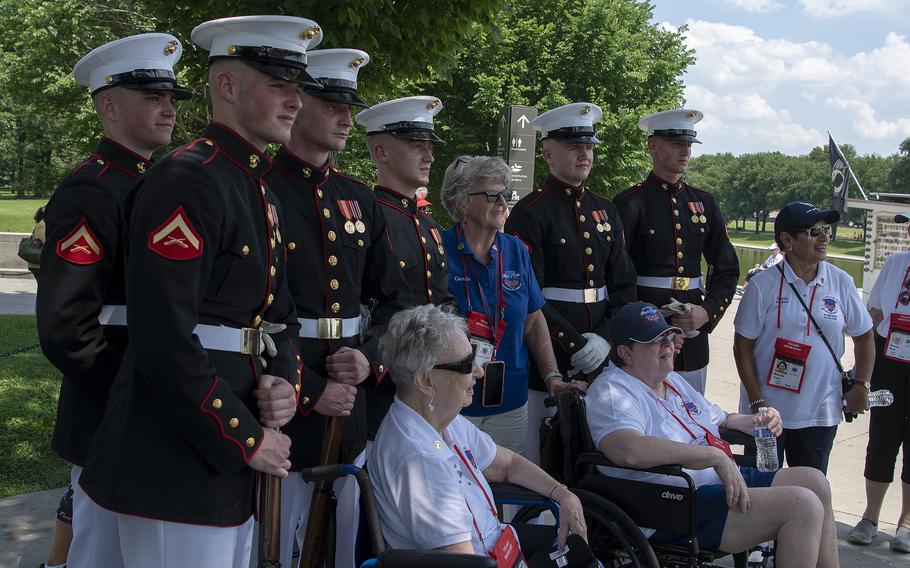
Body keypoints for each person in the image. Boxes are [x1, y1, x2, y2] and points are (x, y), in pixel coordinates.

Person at [78, 16, 317, 567]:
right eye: (279, 85)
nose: (295, 102)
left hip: (227, 448)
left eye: (298, 89)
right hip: (176, 458)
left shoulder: (255, 186)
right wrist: (243, 437)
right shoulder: (189, 179)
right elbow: (163, 336)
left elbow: (280, 318)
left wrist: (285, 384)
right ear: (227, 87)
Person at [35, 33, 192, 568]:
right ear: (108, 105)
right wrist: (131, 397)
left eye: (171, 98)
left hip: (154, 403)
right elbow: (65, 325)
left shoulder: (159, 183)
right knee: (101, 553)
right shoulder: (93, 189)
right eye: (153, 97)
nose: (169, 108)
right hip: (112, 414)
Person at [261, 47, 406, 568]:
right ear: (297, 104)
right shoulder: (261, 187)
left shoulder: (358, 199)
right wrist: (309, 388)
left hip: (350, 407)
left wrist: (372, 358)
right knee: (275, 548)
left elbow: (394, 303)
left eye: (350, 106)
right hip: (278, 400)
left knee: (340, 545)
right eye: (332, 104)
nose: (347, 118)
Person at [588, 301, 840, 567]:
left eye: (668, 336)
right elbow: (628, 449)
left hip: (713, 483)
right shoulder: (613, 391)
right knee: (803, 506)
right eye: (655, 340)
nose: (668, 345)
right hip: (671, 505)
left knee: (815, 482)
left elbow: (723, 418)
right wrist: (712, 457)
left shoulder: (670, 380)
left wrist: (757, 420)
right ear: (626, 353)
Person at [369, 304, 588, 560]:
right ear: (426, 381)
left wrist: (563, 494)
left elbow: (506, 465)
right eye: (466, 364)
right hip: (483, 558)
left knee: (580, 553)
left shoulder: (441, 420)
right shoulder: (419, 460)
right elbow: (461, 561)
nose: (479, 372)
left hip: (498, 544)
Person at [503, 102, 636, 414]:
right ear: (548, 155)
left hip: (603, 357)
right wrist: (573, 344)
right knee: (543, 450)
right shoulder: (530, 212)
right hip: (549, 357)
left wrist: (605, 338)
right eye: (574, 147)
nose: (585, 155)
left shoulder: (605, 208)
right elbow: (527, 294)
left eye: (588, 147)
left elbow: (624, 284)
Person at [439, 155, 568, 460]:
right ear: (461, 203)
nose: (502, 202)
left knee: (507, 491)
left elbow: (534, 320)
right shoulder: (438, 248)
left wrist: (552, 376)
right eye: (491, 194)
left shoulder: (516, 250)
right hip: (453, 402)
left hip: (510, 399)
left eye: (505, 194)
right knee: (457, 491)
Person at [733, 201, 874, 474]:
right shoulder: (762, 286)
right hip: (766, 414)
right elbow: (742, 346)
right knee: (761, 490)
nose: (824, 238)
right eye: (814, 231)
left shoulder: (841, 282)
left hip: (819, 413)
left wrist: (862, 385)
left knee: (810, 490)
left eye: (826, 231)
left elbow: (865, 337)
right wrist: (756, 401)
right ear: (787, 239)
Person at [614, 109, 739, 395]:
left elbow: (727, 268)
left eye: (689, 144)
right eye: (676, 144)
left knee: (693, 418)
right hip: (644, 333)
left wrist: (707, 312)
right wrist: (646, 325)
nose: (685, 151)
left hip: (693, 334)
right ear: (653, 146)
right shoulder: (629, 203)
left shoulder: (704, 202)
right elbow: (617, 274)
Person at [356, 96, 457, 438]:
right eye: (416, 145)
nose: (429, 155)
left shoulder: (427, 224)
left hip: (429, 383)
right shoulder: (367, 215)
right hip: (381, 384)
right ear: (381, 152)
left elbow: (443, 300)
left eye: (429, 146)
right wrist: (375, 359)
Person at [847, 211, 910, 553]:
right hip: (890, 356)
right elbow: (874, 315)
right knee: (882, 436)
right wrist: (861, 367)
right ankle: (870, 517)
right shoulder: (897, 262)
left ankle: (906, 523)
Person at [25, 205, 46, 280]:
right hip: (38, 264)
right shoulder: (42, 225)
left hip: (38, 264)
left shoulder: (42, 224)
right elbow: (47, 243)